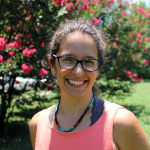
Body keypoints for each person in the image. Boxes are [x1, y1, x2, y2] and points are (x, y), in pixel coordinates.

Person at [29, 20, 150, 150]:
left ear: (98, 69)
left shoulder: (120, 123)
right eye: (68, 59)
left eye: (89, 62)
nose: (78, 72)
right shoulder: (37, 124)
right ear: (52, 65)